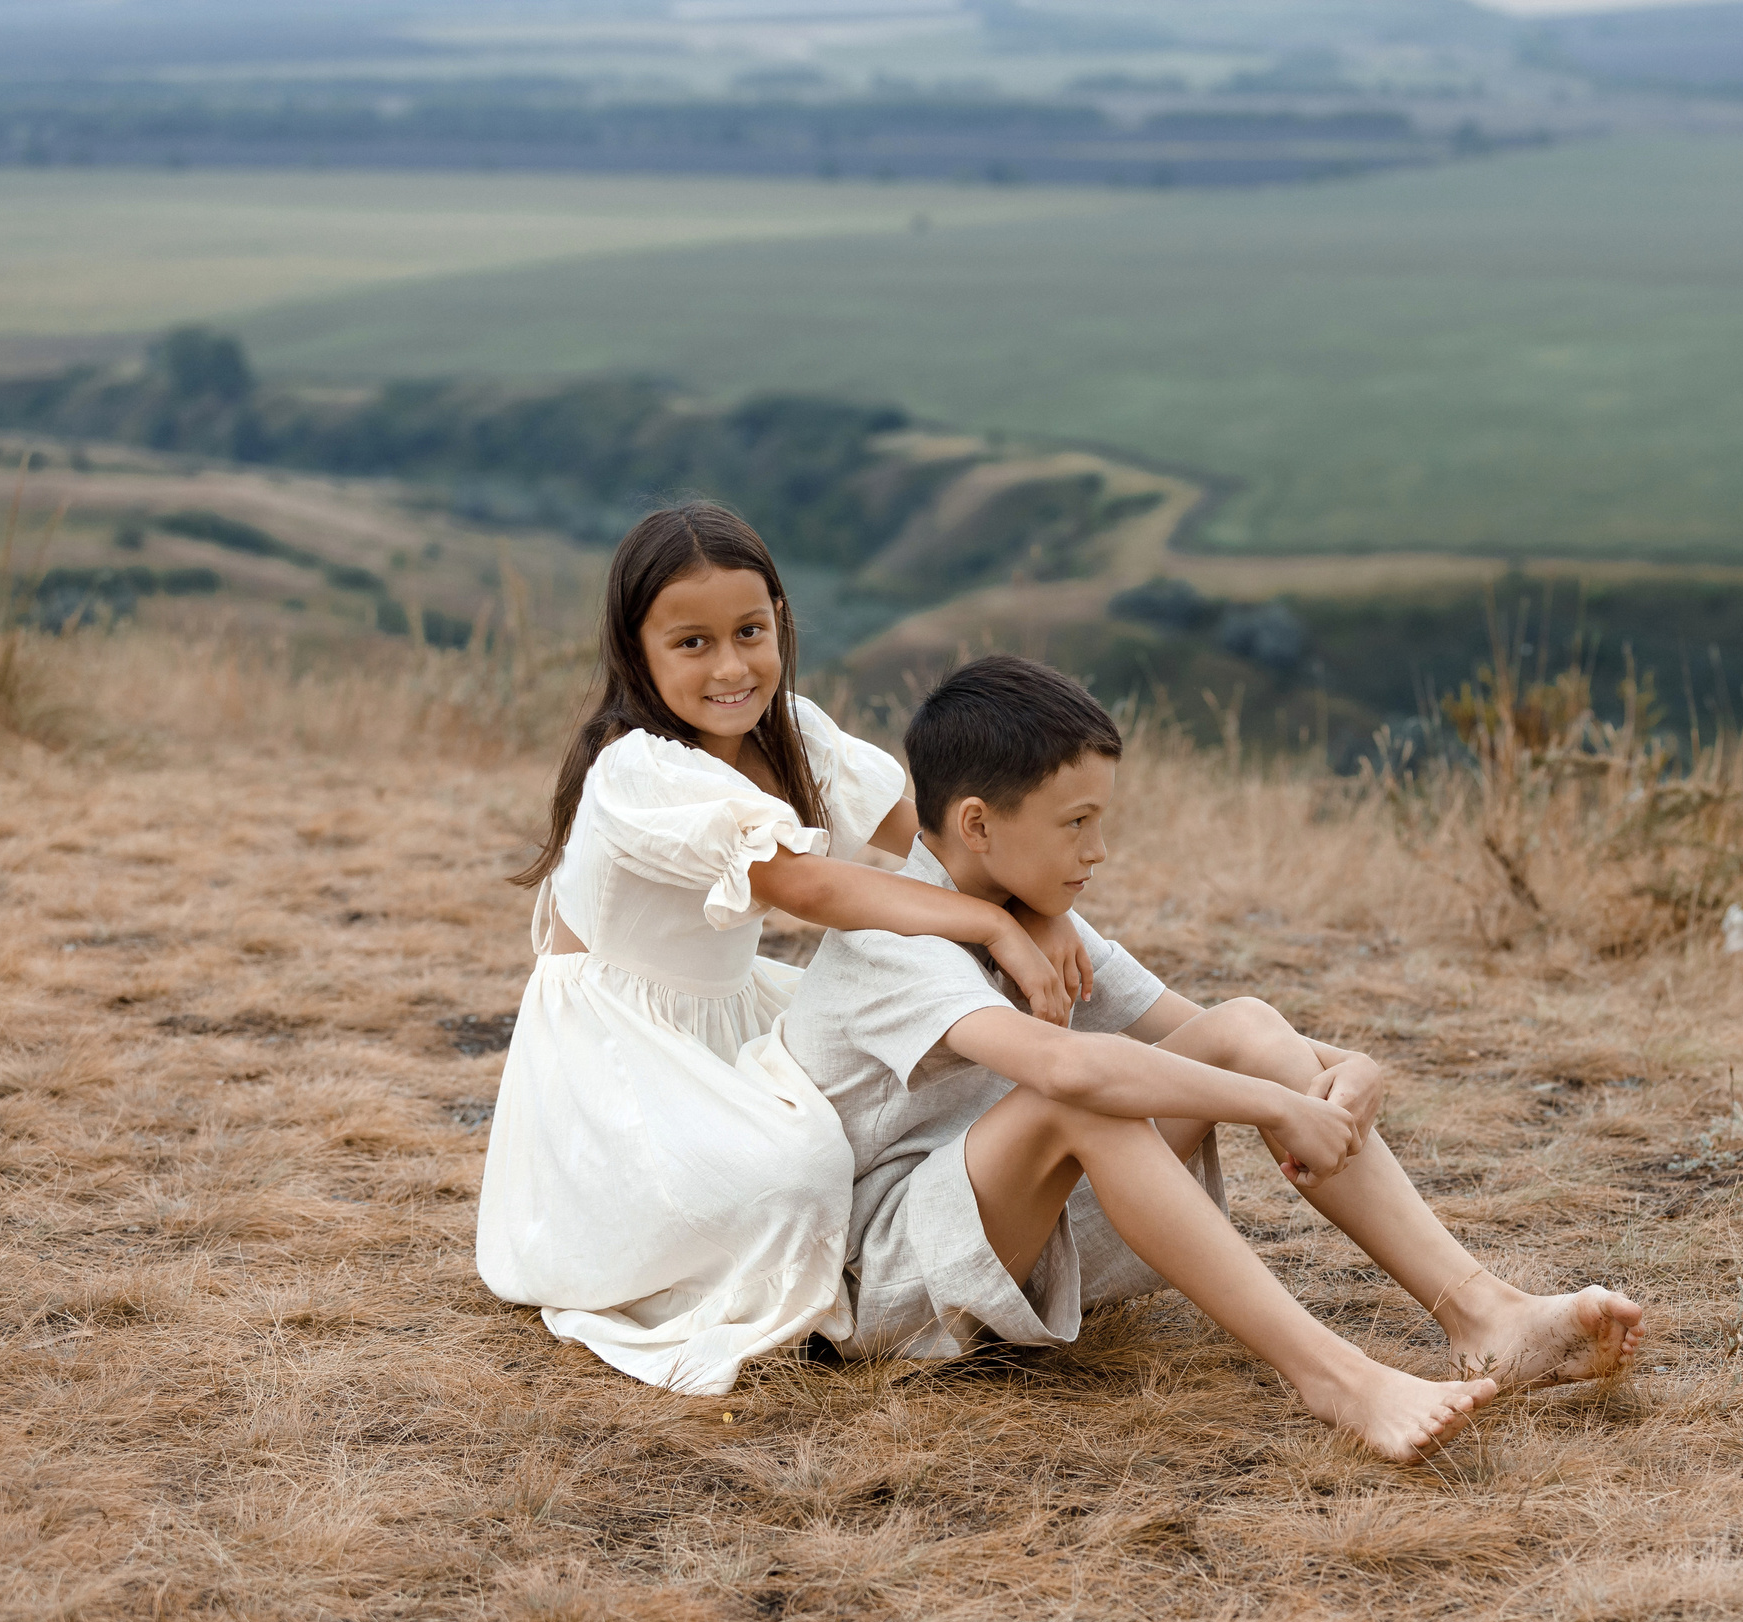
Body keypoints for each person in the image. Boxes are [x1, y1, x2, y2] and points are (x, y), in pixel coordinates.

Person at [784, 655, 1646, 1461]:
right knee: (1086, 1093)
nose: (1098, 850)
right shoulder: (895, 936)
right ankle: (1335, 1379)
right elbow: (1075, 1073)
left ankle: (1485, 1313)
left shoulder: (1028, 912)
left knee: (1246, 1024)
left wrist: (1340, 1065)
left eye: (1101, 820)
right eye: (1075, 823)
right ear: (977, 824)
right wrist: (1274, 1107)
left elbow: (1218, 1034)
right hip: (892, 1277)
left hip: (1004, 1230)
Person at [475, 504, 1089, 1395]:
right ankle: (804, 1302)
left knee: (896, 1097)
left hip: (732, 1014)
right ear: (635, 650)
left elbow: (930, 833)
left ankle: (905, 1255)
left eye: (750, 631)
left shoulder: (791, 731)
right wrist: (992, 922)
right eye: (691, 643)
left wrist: (1041, 905)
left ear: (780, 623)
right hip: (619, 1051)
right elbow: (805, 886)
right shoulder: (636, 768)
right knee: (794, 1174)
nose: (731, 666)